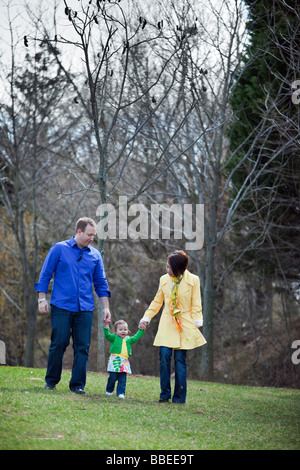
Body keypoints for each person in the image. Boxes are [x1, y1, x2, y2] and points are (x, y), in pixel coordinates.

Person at [35, 217, 111, 394]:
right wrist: (41, 299)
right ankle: (51, 381)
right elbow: (45, 274)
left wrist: (106, 307)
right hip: (62, 306)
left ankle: (77, 385)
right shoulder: (59, 249)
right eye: (89, 234)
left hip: (85, 308)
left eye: (94, 235)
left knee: (82, 347)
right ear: (79, 231)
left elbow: (101, 283)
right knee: (59, 343)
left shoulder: (95, 255)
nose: (92, 238)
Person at [139, 250, 206, 404]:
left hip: (184, 324)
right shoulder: (164, 279)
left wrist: (197, 321)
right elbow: (157, 302)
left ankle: (179, 398)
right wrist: (146, 317)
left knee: (180, 360)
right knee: (163, 356)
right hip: (167, 323)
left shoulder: (193, 280)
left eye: (169, 267)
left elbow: (196, 302)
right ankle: (164, 394)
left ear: (178, 268)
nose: (167, 270)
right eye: (166, 266)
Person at [103, 319, 145, 399]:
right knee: (112, 377)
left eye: (125, 330)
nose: (123, 331)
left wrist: (141, 330)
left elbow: (136, 337)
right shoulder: (114, 338)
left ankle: (121, 393)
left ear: (128, 331)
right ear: (116, 331)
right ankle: (109, 390)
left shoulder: (128, 339)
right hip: (114, 361)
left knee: (123, 379)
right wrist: (106, 326)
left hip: (124, 362)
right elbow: (107, 335)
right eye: (120, 329)